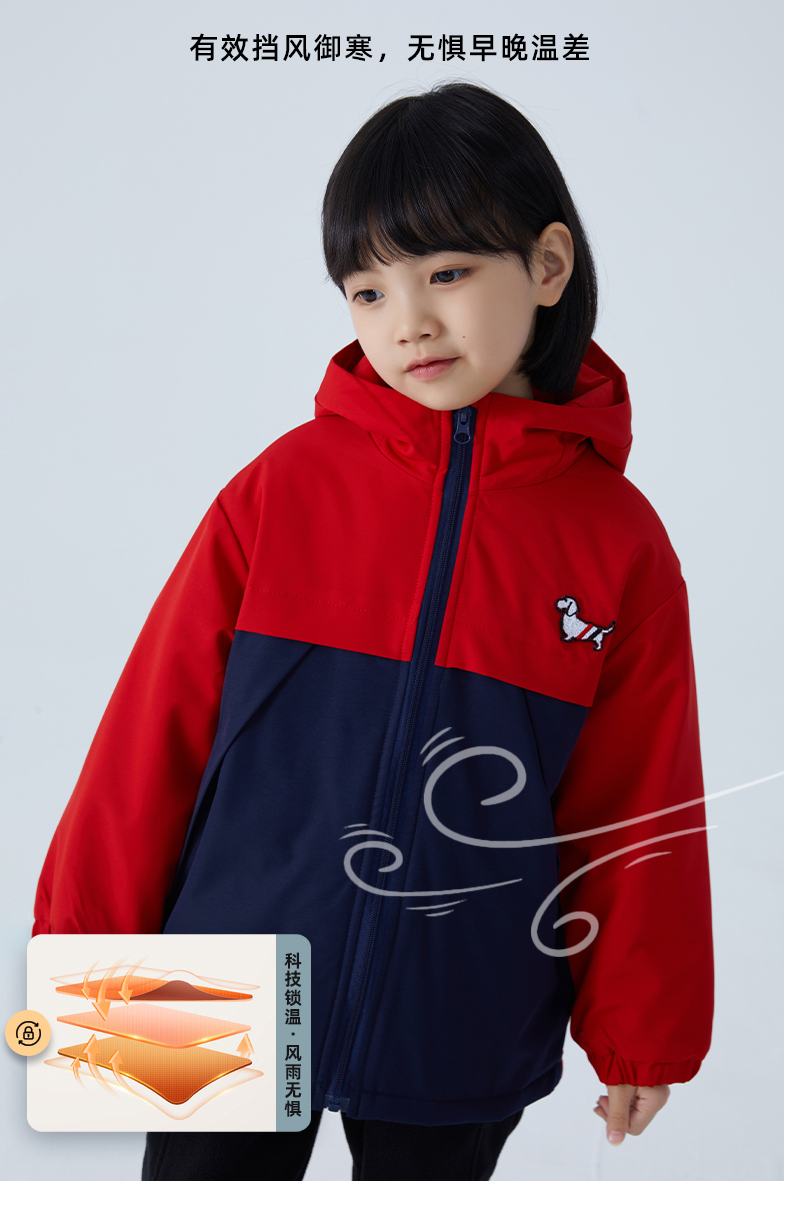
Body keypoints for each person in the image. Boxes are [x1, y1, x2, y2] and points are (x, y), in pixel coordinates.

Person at [33, 82, 714, 1181]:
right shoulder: (284, 489)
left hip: (462, 993)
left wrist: (645, 1026)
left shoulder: (617, 543)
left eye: (447, 272)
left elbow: (636, 804)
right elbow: (152, 732)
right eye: (367, 288)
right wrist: (79, 947)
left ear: (548, 265)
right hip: (216, 981)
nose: (409, 320)